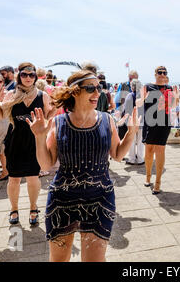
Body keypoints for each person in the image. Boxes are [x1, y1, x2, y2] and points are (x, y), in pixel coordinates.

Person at [27, 70, 138, 262]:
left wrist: (132, 132)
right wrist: (39, 137)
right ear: (75, 92)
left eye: (99, 88)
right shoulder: (58, 122)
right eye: (91, 89)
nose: (97, 93)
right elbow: (46, 164)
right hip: (62, 200)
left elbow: (118, 155)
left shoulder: (107, 120)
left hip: (100, 199)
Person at [0, 62, 55, 225]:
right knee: (14, 178)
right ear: (19, 76)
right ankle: (14, 209)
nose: (28, 78)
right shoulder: (11, 94)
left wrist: (57, 105)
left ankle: (33, 208)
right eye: (24, 75)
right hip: (15, 140)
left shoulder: (43, 95)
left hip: (35, 142)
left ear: (35, 77)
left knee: (33, 177)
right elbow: (0, 116)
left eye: (31, 75)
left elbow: (49, 116)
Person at [138, 66, 177, 194]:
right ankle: (148, 177)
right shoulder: (147, 87)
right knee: (149, 151)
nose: (162, 74)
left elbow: (172, 105)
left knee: (160, 150)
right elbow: (138, 103)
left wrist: (176, 97)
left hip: (164, 123)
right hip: (150, 123)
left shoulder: (169, 88)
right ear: (155, 74)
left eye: (164, 72)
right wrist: (143, 97)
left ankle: (158, 182)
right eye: (159, 72)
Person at [121, 79, 144, 165]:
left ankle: (132, 159)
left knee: (132, 141)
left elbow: (125, 110)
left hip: (131, 122)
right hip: (142, 121)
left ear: (132, 87)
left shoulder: (129, 96)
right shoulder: (143, 97)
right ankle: (140, 159)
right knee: (140, 141)